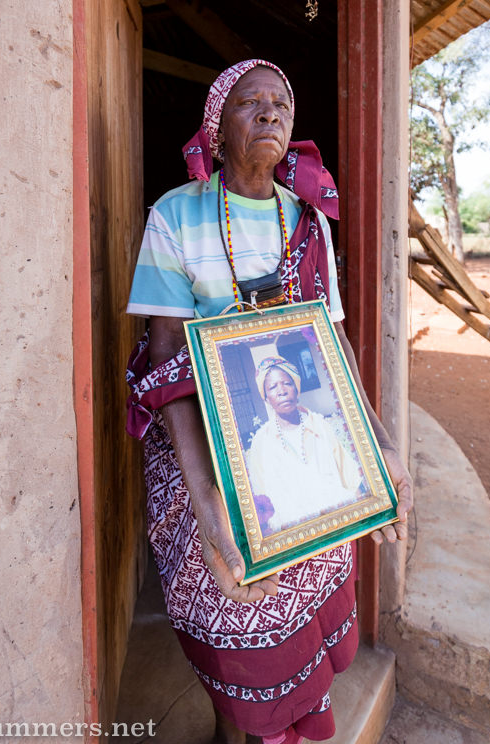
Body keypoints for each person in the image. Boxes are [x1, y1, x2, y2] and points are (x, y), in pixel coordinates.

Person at [125, 59, 412, 744]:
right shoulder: (176, 215)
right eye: (248, 103)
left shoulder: (309, 222)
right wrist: (209, 504)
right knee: (235, 613)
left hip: (297, 456)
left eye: (280, 103)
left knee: (302, 611)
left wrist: (379, 449)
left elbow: (332, 347)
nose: (269, 113)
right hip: (203, 449)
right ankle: (240, 729)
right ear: (216, 129)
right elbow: (165, 358)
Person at [247, 357, 364, 532]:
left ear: (296, 389)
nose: (282, 391)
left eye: (287, 384)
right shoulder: (261, 442)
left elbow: (351, 480)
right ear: (266, 398)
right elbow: (261, 498)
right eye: (272, 387)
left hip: (339, 525)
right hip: (293, 535)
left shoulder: (320, 426)